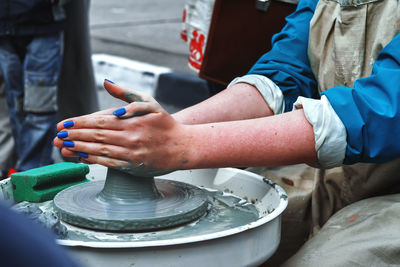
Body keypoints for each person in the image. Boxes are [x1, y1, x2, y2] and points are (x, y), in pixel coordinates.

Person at [53, 0, 400, 265]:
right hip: (347, 175)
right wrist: (159, 130)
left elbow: (381, 110)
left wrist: (186, 145)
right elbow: (286, 73)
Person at [0, 0, 70, 172]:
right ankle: (27, 171)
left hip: (42, 22)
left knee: (40, 109)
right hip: (5, 28)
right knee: (16, 107)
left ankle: (33, 173)